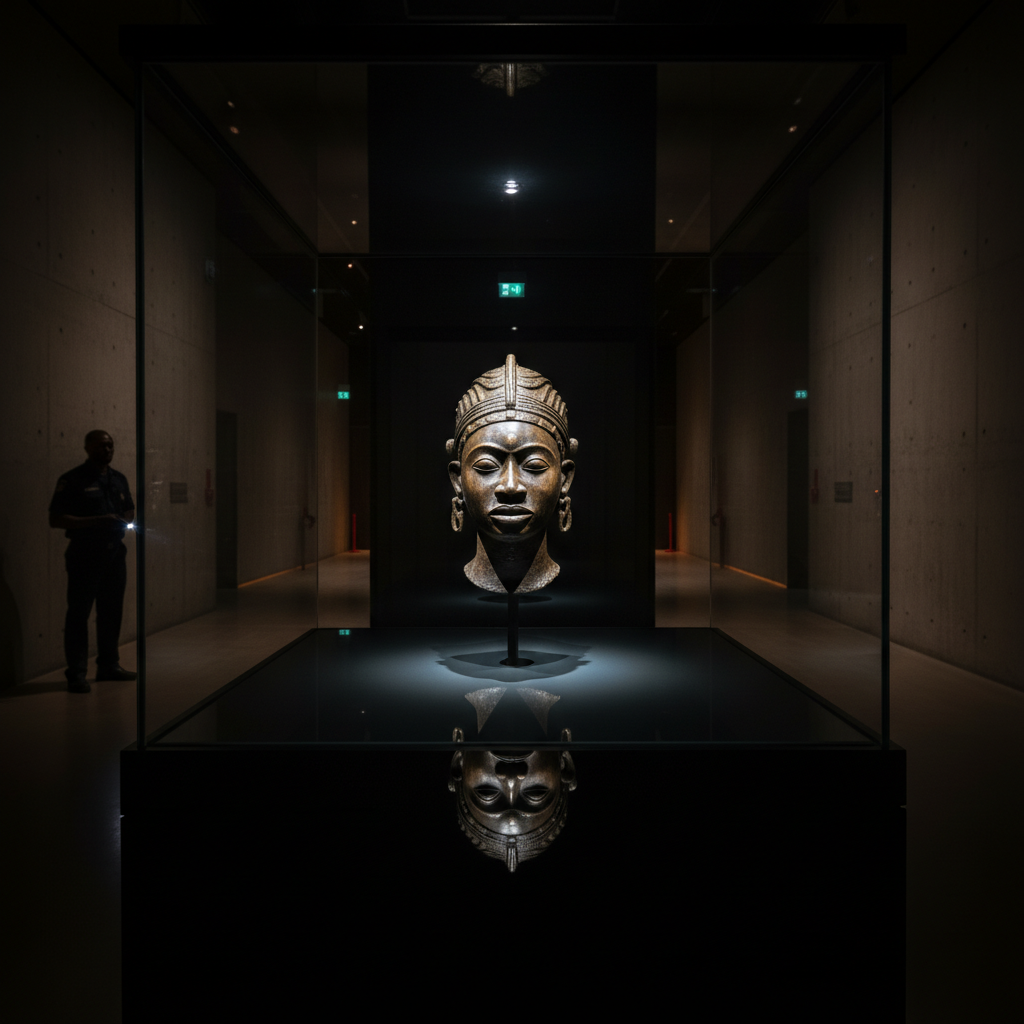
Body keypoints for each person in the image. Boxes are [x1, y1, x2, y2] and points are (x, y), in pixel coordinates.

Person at [49, 430, 137, 693]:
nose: (107, 450)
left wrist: (126, 519)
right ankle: (76, 673)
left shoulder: (118, 479)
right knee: (79, 614)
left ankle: (109, 665)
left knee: (111, 613)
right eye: (101, 445)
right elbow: (56, 519)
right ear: (87, 448)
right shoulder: (72, 479)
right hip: (84, 555)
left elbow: (129, 508)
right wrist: (98, 521)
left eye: (110, 445)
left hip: (114, 555)